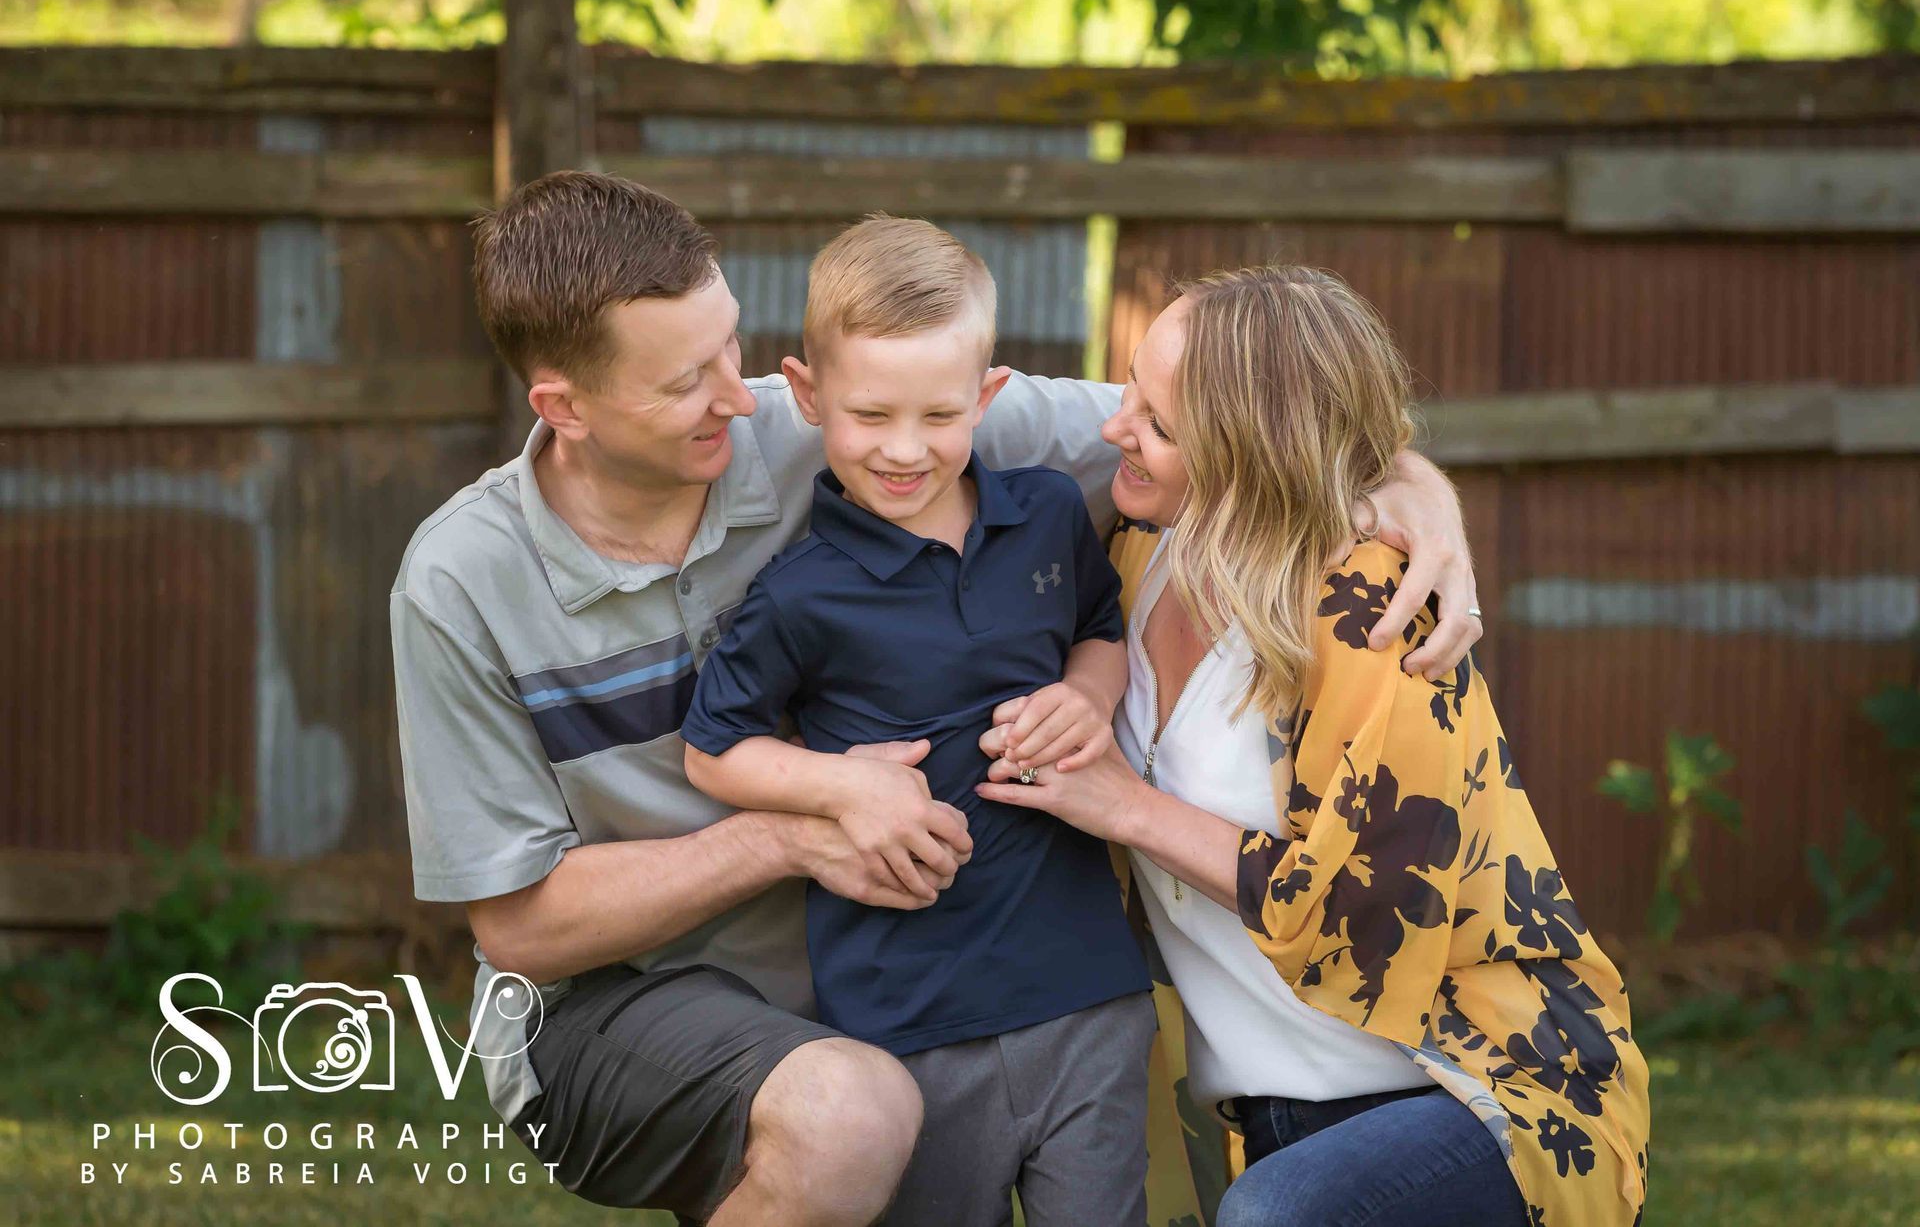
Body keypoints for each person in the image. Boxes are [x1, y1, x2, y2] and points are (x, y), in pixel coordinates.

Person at [389, 170, 1483, 1226]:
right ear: (562, 407)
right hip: (617, 1004)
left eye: (728, 345)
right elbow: (524, 929)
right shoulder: (460, 583)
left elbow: (1240, 427)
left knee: (878, 1108)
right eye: (685, 383)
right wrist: (798, 830)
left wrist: (1410, 496)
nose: (740, 395)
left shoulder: (865, 422)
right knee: (848, 1114)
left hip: (897, 981)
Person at [974, 265, 1650, 1227]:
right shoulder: (1133, 550)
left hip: (1471, 1087)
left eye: (1160, 423)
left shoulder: (1370, 606)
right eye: (1129, 384)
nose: (1118, 426)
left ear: (1254, 453)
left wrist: (1122, 802)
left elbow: (1368, 911)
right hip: (1255, 1117)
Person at [681, 216, 1157, 1227]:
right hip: (907, 1016)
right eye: (868, 415)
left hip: (1085, 988)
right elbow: (714, 750)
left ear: (987, 397)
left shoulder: (1047, 514)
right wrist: (838, 782)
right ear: (807, 397)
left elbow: (1099, 627)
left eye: (941, 415)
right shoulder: (799, 594)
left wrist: (1091, 696)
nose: (905, 450)